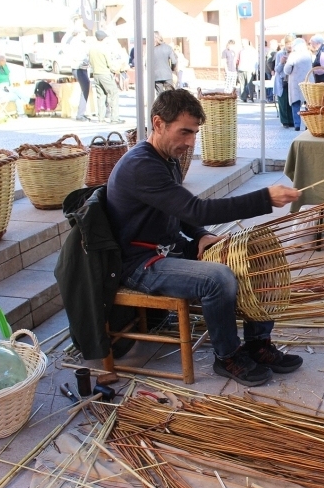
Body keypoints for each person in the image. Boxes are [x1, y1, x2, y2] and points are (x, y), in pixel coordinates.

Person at [105, 89, 303, 386]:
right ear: (158, 124)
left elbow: (181, 211)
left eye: (195, 133)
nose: (190, 142)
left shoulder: (166, 158)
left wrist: (200, 235)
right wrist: (264, 198)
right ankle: (227, 356)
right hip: (141, 263)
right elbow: (196, 209)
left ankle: (257, 344)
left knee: (255, 259)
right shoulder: (141, 166)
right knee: (217, 278)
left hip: (170, 249)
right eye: (184, 132)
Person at [89, 30, 124, 124]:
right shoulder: (104, 48)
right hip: (105, 74)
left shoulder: (92, 48)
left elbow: (90, 62)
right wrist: (116, 69)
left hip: (96, 74)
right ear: (103, 38)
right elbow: (110, 64)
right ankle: (114, 118)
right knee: (113, 94)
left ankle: (101, 118)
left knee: (100, 96)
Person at [283, 38, 313, 131]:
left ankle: (297, 124)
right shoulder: (308, 54)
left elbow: (287, 69)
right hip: (308, 80)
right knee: (308, 103)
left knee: (296, 103)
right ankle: (308, 124)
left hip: (296, 82)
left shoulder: (293, 54)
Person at [64, 29, 91, 121]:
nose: (85, 34)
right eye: (83, 32)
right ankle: (80, 114)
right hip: (78, 68)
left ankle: (81, 113)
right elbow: (79, 56)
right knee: (85, 90)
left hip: (81, 68)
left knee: (85, 90)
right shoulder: (75, 43)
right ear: (79, 33)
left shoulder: (77, 42)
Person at [274, 34, 296, 128]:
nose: (289, 45)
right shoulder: (280, 54)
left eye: (291, 43)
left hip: (293, 80)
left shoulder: (296, 53)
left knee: (292, 101)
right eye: (287, 43)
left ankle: (292, 120)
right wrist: (281, 62)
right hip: (282, 80)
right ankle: (285, 121)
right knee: (283, 101)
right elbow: (277, 70)